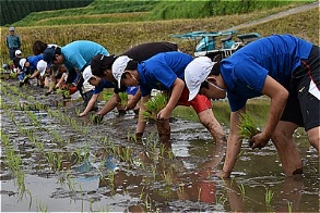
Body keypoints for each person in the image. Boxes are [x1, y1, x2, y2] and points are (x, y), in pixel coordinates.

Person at [184, 34, 320, 177]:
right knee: (280, 133)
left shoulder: (238, 68)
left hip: (306, 63)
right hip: (290, 80)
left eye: (203, 92)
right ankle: (294, 184)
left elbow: (280, 95)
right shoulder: (233, 90)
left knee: (315, 136)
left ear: (211, 80)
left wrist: (265, 135)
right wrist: (225, 173)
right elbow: (235, 132)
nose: (205, 97)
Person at [111, 51, 226, 145]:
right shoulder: (144, 79)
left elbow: (179, 84)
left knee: (207, 120)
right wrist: (139, 134)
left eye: (124, 82)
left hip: (194, 84)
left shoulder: (152, 68)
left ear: (128, 74)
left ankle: (222, 146)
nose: (127, 86)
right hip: (175, 88)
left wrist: (168, 109)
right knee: (159, 115)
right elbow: (144, 107)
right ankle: (165, 146)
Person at [89, 41, 180, 122]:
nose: (105, 80)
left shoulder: (120, 68)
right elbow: (143, 86)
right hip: (165, 53)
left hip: (171, 56)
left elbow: (116, 97)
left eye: (103, 77)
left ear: (106, 72)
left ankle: (165, 120)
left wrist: (100, 114)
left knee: (170, 91)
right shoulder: (118, 65)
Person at [43, 40, 109, 106]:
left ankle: (91, 106)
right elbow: (72, 72)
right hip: (90, 62)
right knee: (82, 82)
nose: (56, 64)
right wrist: (67, 84)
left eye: (54, 62)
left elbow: (85, 71)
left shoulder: (70, 55)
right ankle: (87, 103)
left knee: (87, 84)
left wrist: (76, 87)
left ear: (57, 56)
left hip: (101, 57)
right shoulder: (64, 58)